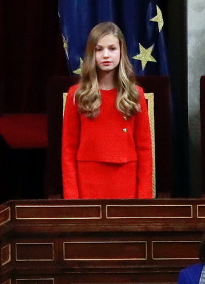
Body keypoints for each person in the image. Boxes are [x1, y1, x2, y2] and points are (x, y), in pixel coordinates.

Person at [61, 22, 153, 199]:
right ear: (91, 53)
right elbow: (68, 149)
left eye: (112, 48)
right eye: (99, 49)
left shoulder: (135, 94)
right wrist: (72, 198)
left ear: (121, 52)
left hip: (125, 181)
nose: (106, 55)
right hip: (87, 181)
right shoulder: (77, 94)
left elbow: (144, 150)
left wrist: (143, 199)